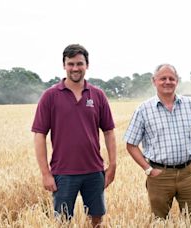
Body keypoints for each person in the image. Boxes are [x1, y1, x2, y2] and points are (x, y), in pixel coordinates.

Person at [32, 44, 117, 227]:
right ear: (64, 65)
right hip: (63, 172)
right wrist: (46, 173)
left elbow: (109, 131)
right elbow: (39, 135)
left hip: (94, 171)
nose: (75, 68)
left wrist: (112, 165)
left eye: (80, 63)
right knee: (63, 221)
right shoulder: (50, 96)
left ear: (87, 65)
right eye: (71, 64)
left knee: (97, 218)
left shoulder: (98, 95)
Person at [124, 63, 191, 219]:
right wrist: (148, 169)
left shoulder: (190, 104)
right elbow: (131, 144)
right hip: (159, 175)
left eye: (171, 78)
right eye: (162, 78)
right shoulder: (143, 110)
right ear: (154, 81)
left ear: (177, 81)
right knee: (160, 220)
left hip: (187, 174)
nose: (167, 82)